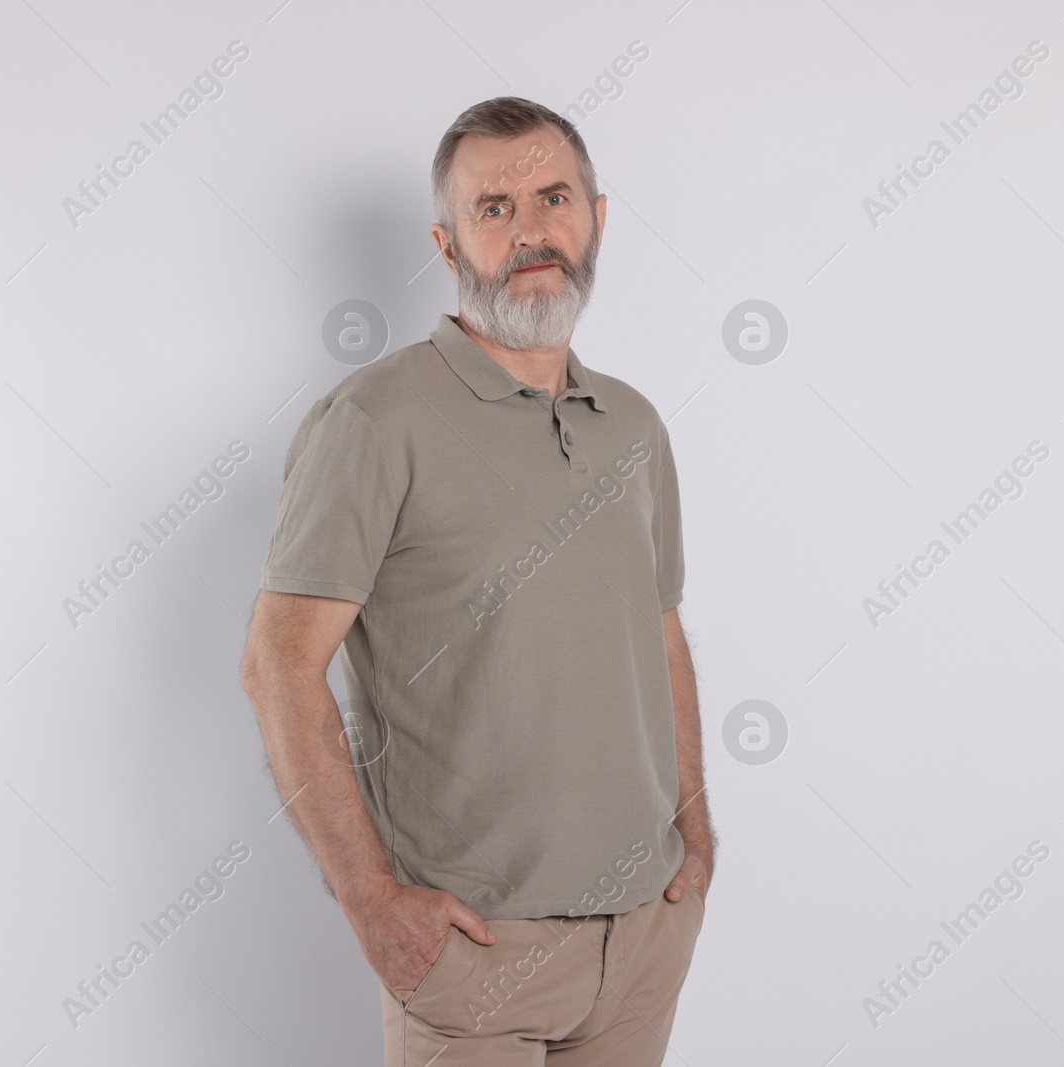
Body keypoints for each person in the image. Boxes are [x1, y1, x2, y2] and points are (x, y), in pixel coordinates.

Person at [241, 95, 715, 1066]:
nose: (531, 229)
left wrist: (693, 835)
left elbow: (658, 630)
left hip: (643, 937)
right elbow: (278, 666)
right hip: (476, 950)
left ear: (596, 216)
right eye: (493, 208)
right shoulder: (375, 419)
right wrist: (375, 904)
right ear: (447, 240)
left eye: (552, 197)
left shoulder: (631, 423)